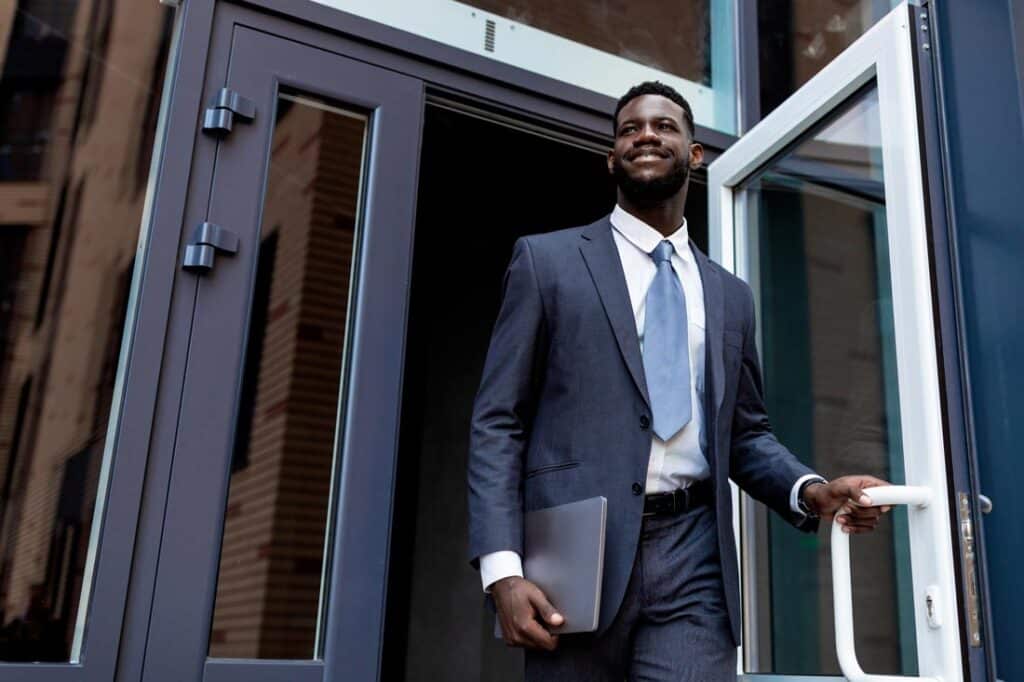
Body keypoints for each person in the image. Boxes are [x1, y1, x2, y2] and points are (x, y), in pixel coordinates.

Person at [466, 81, 889, 681]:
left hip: (695, 557)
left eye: (664, 126)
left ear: (694, 154)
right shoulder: (547, 263)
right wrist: (502, 569)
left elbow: (744, 434)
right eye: (629, 129)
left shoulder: (729, 296)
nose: (645, 135)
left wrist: (811, 490)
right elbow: (497, 421)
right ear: (611, 158)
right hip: (576, 558)